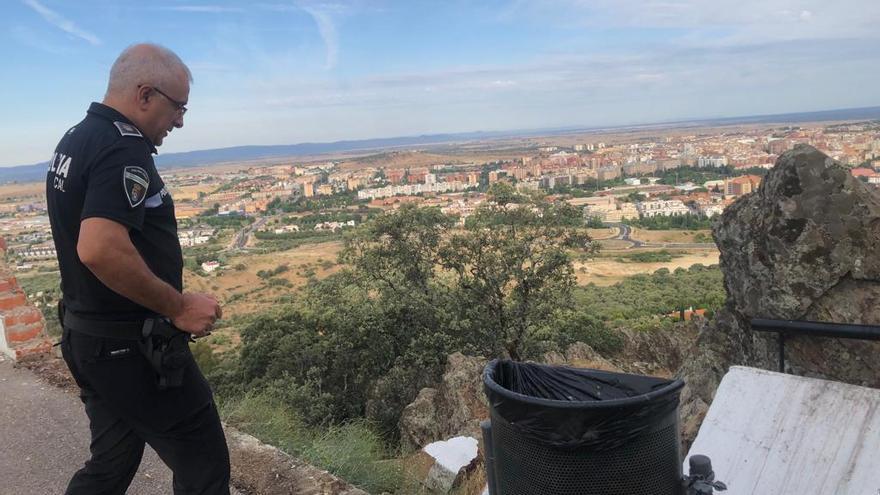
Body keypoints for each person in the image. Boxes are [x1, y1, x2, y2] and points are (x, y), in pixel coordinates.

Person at [46, 43, 231, 494]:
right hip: (131, 347)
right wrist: (179, 305)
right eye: (178, 107)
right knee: (204, 461)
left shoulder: (77, 137)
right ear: (145, 95)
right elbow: (100, 248)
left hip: (90, 337)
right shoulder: (122, 149)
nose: (181, 121)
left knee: (110, 464)